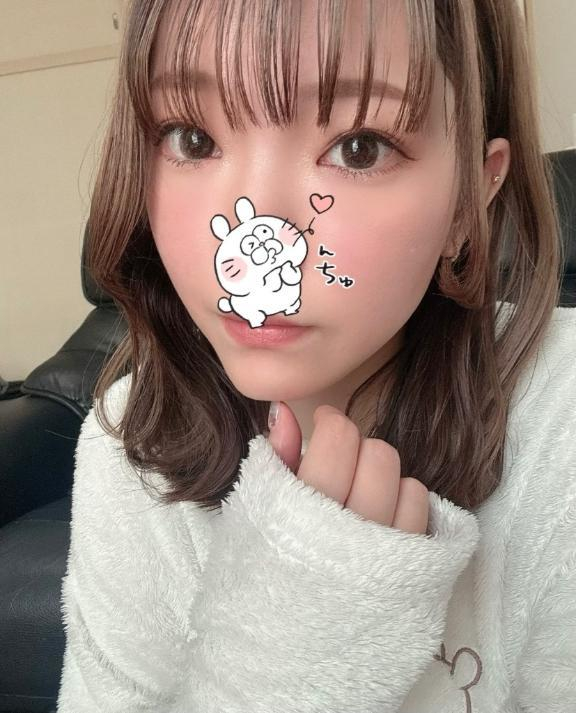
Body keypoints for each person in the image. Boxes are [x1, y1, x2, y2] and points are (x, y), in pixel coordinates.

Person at [56, 0, 575, 711]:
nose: (257, 222)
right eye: (192, 138)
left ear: (468, 198)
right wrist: (278, 667)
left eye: (360, 147)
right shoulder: (129, 437)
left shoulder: (562, 423)